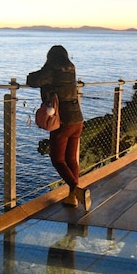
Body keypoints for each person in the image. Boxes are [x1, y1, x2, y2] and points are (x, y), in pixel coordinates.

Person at [27, 45, 90, 210]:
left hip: (63, 122)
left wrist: (34, 73)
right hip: (78, 120)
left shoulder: (52, 68)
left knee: (57, 159)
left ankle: (77, 190)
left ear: (50, 57)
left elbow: (33, 80)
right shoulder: (71, 69)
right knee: (70, 159)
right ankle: (72, 197)